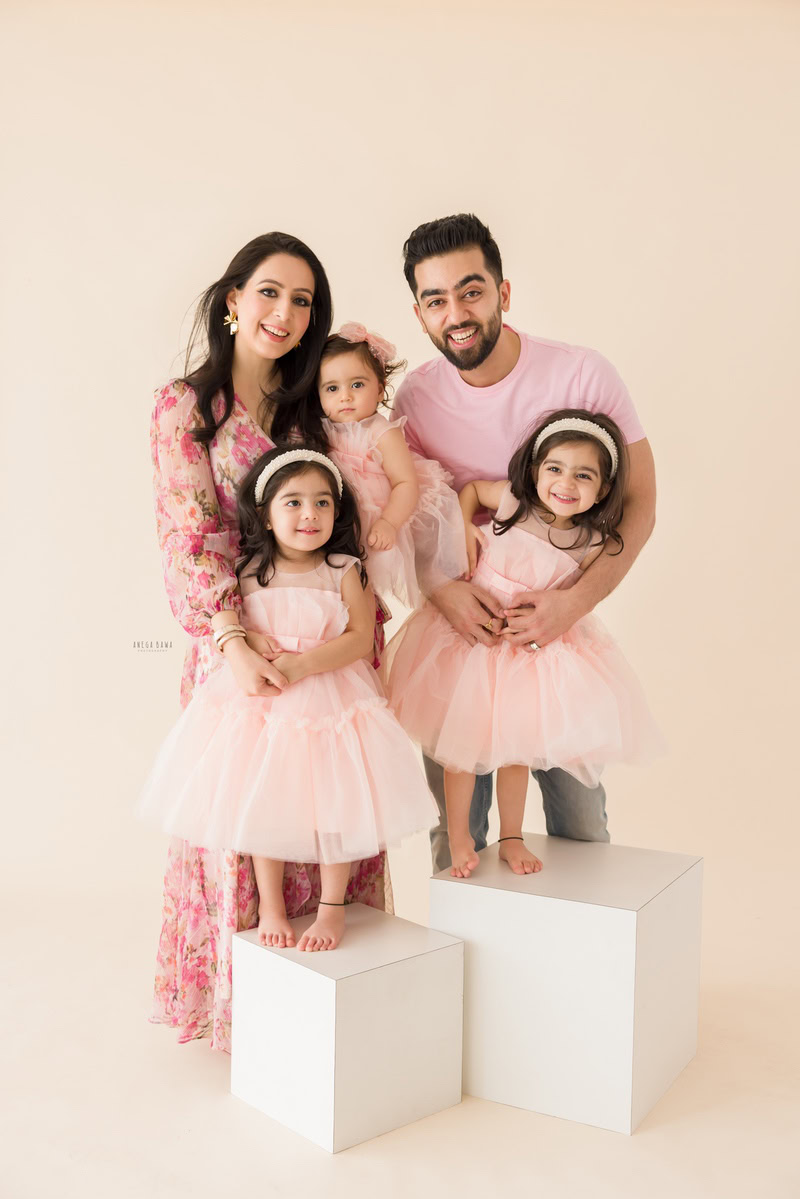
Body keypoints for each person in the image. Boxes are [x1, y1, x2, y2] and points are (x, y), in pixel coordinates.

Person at [150, 234, 390, 1047]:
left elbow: (357, 506)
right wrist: (232, 641)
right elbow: (189, 533)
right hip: (236, 651)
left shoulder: (312, 408)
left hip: (326, 646)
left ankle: (333, 1024)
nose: (285, 314)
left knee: (329, 809)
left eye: (303, 301)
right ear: (231, 299)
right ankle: (246, 1016)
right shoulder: (188, 408)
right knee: (243, 817)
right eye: (270, 293)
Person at [392, 213, 657, 872]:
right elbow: (411, 518)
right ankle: (467, 969)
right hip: (460, 639)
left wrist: (572, 606)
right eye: (436, 299)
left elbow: (641, 503)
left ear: (504, 293)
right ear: (420, 313)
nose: (456, 311)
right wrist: (440, 588)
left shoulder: (583, 376)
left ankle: (583, 962)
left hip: (555, 640)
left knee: (578, 821)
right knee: (457, 831)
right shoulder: (416, 400)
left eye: (471, 290)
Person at [140, 448, 437, 950]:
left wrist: (300, 664)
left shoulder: (343, 567)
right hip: (263, 708)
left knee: (336, 808)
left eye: (323, 503)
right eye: (294, 502)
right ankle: (272, 906)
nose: (310, 515)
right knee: (263, 804)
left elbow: (361, 637)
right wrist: (255, 647)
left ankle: (332, 906)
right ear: (265, 513)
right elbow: (244, 632)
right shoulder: (250, 570)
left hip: (329, 700)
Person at [385, 411, 662, 878]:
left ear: (604, 488)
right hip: (469, 642)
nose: (566, 483)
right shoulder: (513, 503)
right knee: (461, 750)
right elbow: (471, 493)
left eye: (584, 475)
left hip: (527, 657)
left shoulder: (592, 542)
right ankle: (459, 838)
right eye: (554, 469)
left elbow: (582, 596)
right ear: (534, 471)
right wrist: (462, 536)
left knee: (515, 750)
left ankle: (511, 836)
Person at [314, 322, 466, 608]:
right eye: (332, 388)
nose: (345, 396)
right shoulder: (321, 431)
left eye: (357, 385)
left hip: (377, 521)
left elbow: (406, 483)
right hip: (339, 524)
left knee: (363, 588)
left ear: (380, 389)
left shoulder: (382, 432)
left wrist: (389, 522)